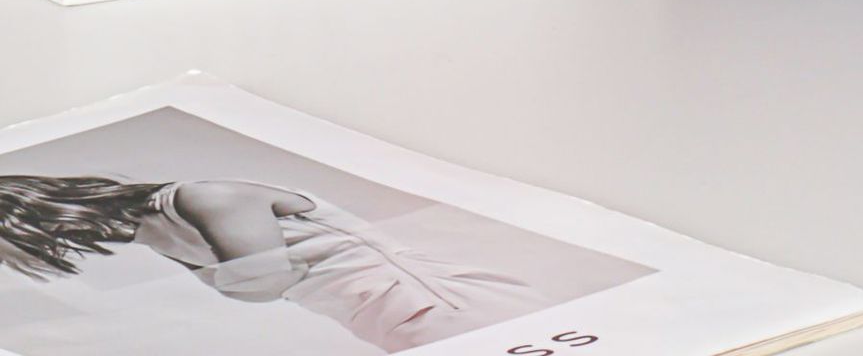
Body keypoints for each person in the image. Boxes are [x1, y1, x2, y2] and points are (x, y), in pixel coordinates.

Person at [0, 174, 540, 350]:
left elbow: (263, 284)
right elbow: (255, 284)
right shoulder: (157, 233)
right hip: (379, 317)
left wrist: (251, 280)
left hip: (439, 304)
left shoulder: (203, 198)